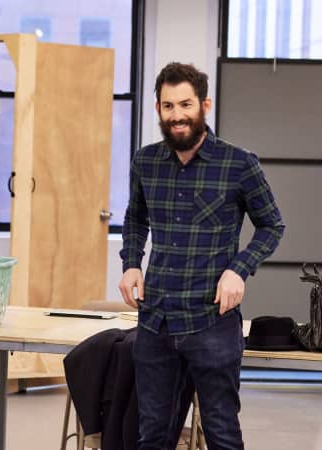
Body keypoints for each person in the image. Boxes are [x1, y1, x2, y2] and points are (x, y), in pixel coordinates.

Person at [118, 62, 285, 449]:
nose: (177, 115)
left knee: (222, 433)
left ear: (204, 104)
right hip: (156, 321)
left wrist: (238, 270)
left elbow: (273, 226)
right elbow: (135, 218)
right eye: (167, 106)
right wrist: (130, 264)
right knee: (153, 434)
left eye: (185, 104)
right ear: (157, 109)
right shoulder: (145, 162)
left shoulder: (240, 164)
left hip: (212, 322)